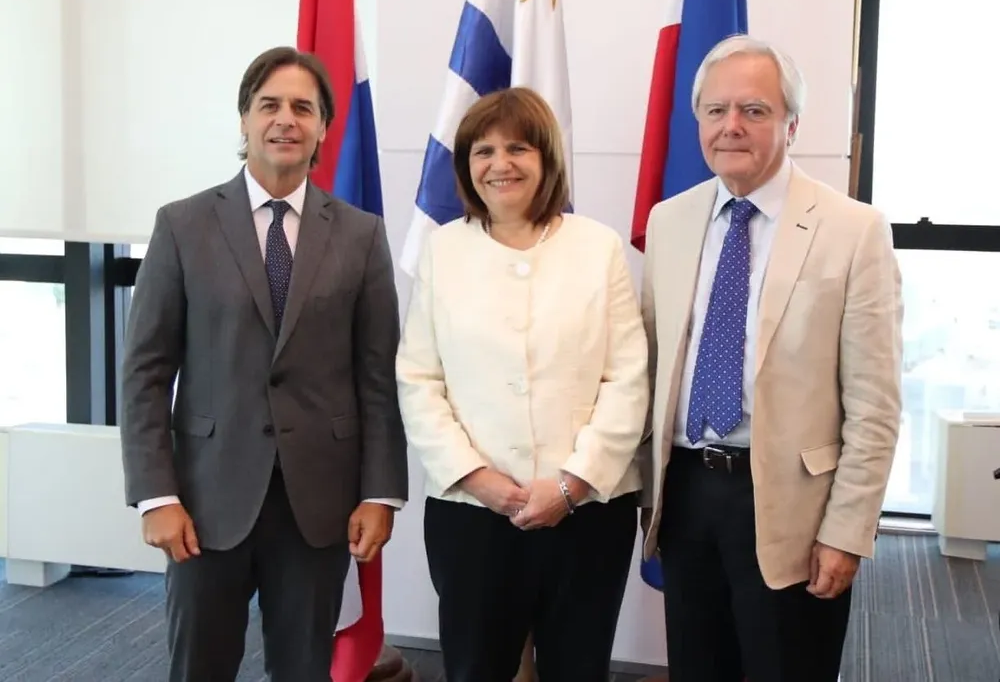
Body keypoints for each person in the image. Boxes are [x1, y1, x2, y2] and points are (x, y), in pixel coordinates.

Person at [119, 46, 408, 682]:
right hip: (204, 501)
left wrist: (380, 492)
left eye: (303, 108)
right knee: (201, 666)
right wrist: (154, 495)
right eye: (269, 105)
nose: (286, 119)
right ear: (244, 119)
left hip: (319, 504)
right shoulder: (183, 225)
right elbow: (144, 372)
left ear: (324, 128)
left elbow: (376, 378)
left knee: (305, 669)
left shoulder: (361, 236)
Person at [639, 35, 902, 682]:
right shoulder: (669, 221)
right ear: (697, 120)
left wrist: (847, 530)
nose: (731, 125)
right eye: (716, 110)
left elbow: (875, 405)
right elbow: (648, 366)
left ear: (791, 123)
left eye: (754, 110)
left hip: (792, 500)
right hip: (687, 491)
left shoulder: (853, 229)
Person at [396, 86, 648, 682]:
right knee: (475, 667)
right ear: (464, 164)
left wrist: (571, 484)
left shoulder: (597, 246)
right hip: (471, 513)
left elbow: (628, 376)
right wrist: (480, 480)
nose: (499, 164)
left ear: (547, 160)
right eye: (482, 150)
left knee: (576, 667)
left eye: (517, 148)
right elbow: (418, 378)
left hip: (587, 511)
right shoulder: (443, 249)